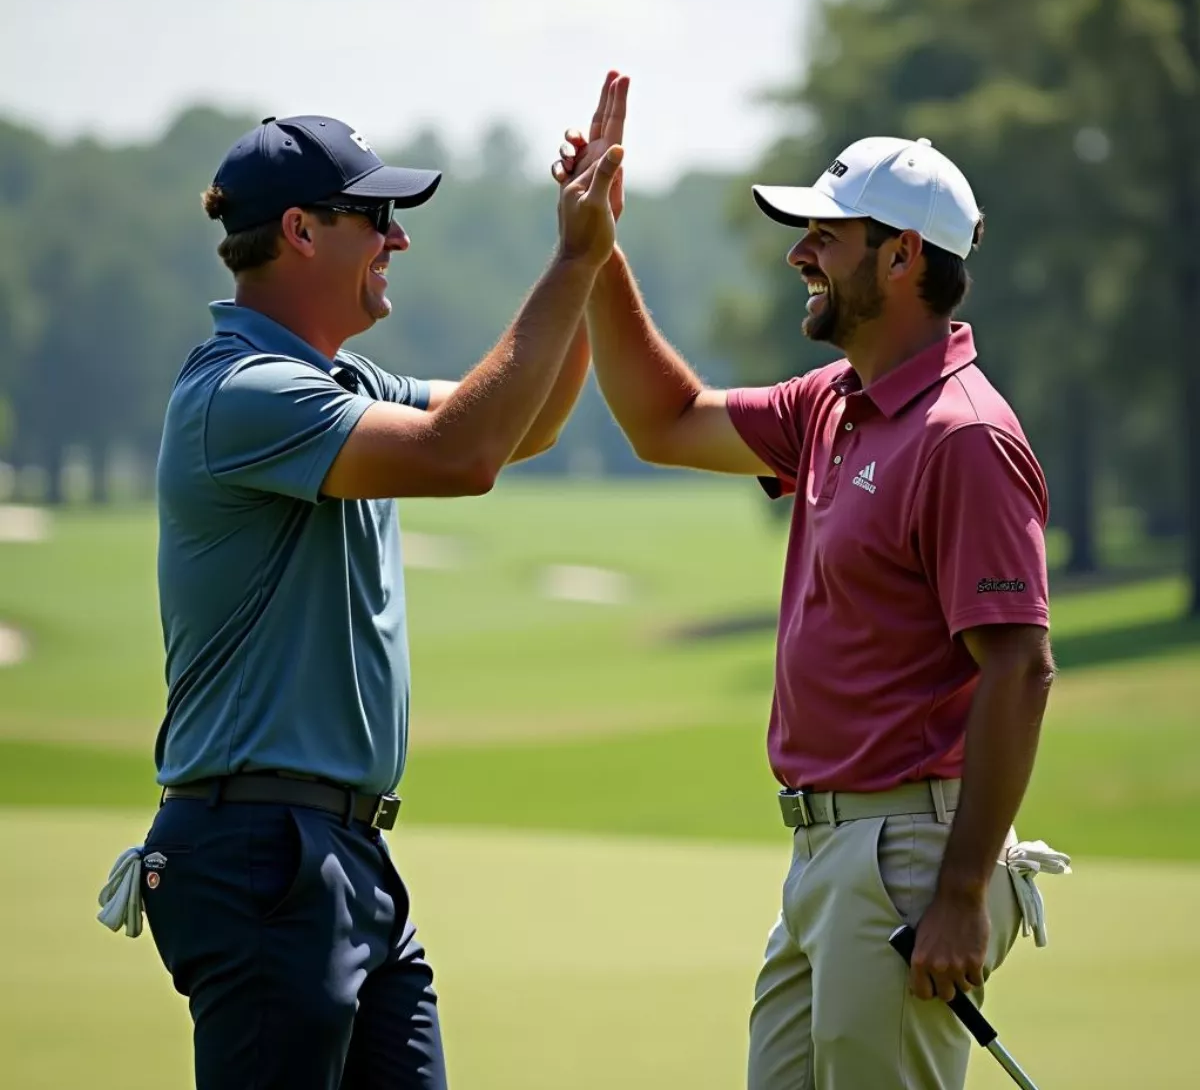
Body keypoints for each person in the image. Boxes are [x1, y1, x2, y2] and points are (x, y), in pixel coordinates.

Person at [553, 74, 1062, 1090]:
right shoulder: (835, 402)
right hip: (825, 854)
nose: (799, 255)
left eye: (825, 236)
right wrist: (598, 255)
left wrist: (961, 892)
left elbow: (1021, 670)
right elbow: (665, 421)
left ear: (903, 256)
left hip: (911, 855)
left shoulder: (962, 436)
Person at [97, 112, 624, 1090]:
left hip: (340, 857)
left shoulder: (341, 382)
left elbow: (524, 426)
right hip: (262, 854)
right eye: (377, 215)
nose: (399, 239)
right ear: (301, 231)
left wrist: (591, 262)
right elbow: (463, 455)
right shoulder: (242, 391)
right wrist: (566, 260)